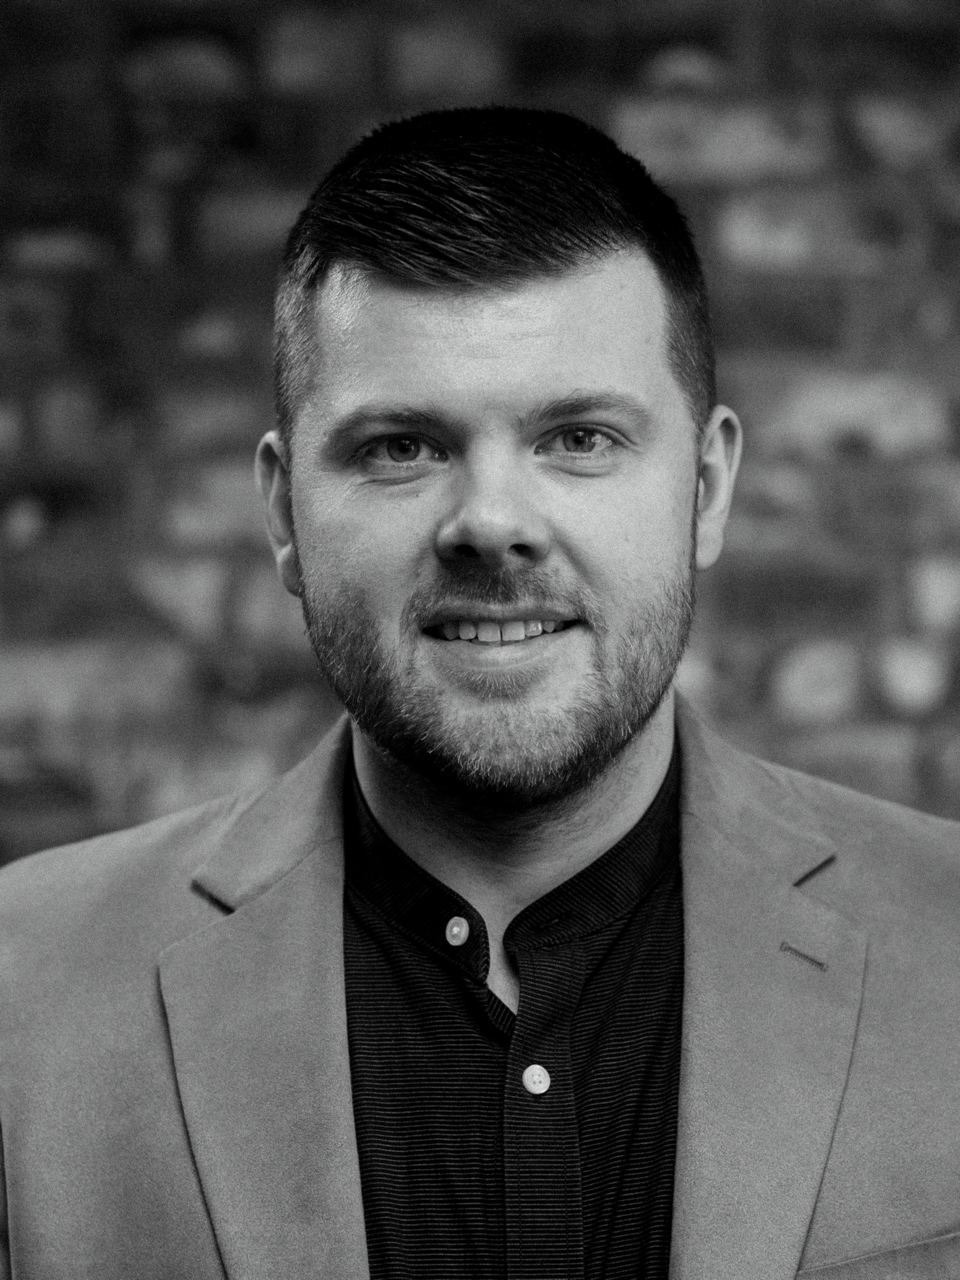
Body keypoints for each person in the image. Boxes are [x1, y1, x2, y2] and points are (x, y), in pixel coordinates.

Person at [0, 106, 958, 1280]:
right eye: (402, 447)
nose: (493, 522)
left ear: (707, 486)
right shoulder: (21, 993)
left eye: (580, 437)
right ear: (283, 512)